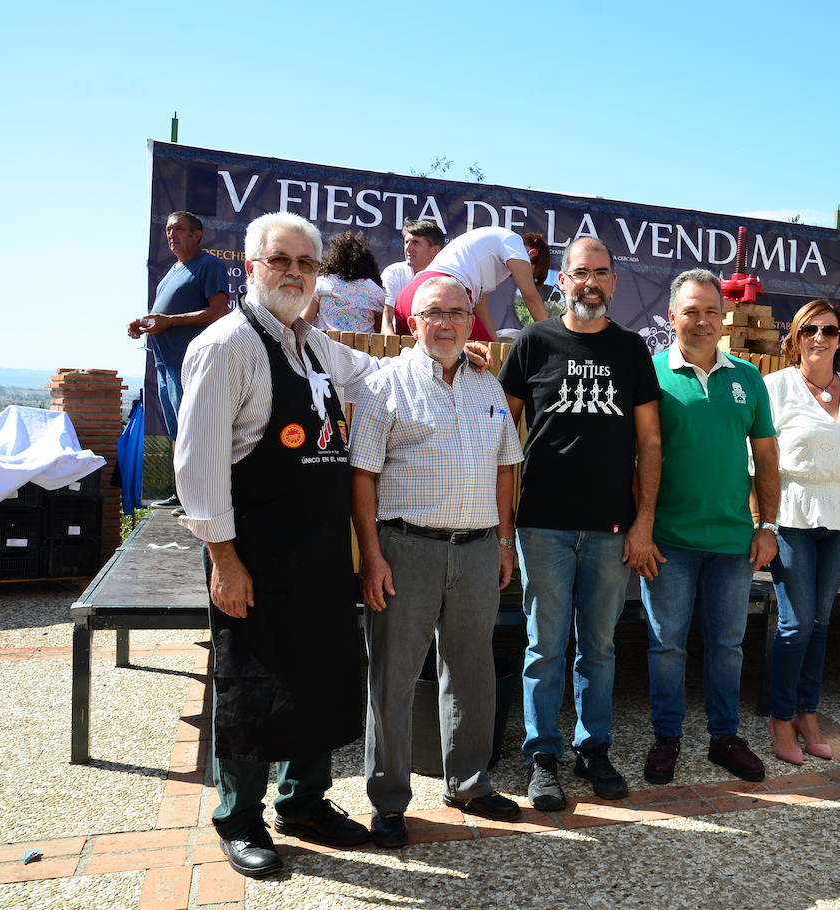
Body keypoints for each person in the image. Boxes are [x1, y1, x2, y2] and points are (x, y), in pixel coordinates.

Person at [174, 212, 381, 877]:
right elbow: (198, 465)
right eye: (280, 260)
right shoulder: (226, 345)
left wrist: (448, 353)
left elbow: (377, 377)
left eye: (306, 264)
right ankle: (238, 818)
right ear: (252, 266)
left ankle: (305, 803)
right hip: (254, 554)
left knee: (317, 677)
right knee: (250, 685)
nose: (294, 273)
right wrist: (223, 560)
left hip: (319, 552)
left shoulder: (314, 345)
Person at [350, 276, 525, 845]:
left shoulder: (488, 386)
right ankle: (389, 799)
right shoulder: (385, 386)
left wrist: (503, 541)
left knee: (471, 671)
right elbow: (363, 476)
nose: (446, 324)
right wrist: (371, 556)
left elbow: (506, 468)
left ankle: (470, 783)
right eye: (433, 313)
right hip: (406, 548)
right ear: (413, 321)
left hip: (477, 550)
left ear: (470, 317)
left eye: (456, 312)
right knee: (393, 676)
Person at [497, 237, 662, 810]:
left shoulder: (632, 350)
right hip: (541, 525)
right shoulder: (532, 342)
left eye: (601, 273)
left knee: (599, 645)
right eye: (580, 273)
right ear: (561, 281)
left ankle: (594, 749)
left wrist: (643, 523)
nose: (590, 283)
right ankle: (543, 755)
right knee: (544, 646)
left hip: (610, 530)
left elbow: (649, 441)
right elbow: (500, 434)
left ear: (614, 282)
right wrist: (500, 527)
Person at [641, 269, 779, 785]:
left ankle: (725, 738)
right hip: (668, 540)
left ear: (724, 319)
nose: (701, 321)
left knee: (727, 644)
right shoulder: (650, 374)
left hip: (732, 541)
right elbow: (637, 458)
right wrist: (642, 527)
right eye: (691, 311)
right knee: (666, 644)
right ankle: (667, 738)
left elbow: (767, 457)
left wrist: (768, 526)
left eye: (710, 312)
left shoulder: (746, 378)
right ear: (672, 316)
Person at [763, 299, 840, 764]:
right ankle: (780, 717)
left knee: (822, 623)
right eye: (810, 329)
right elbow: (761, 462)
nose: (819, 338)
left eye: (829, 331)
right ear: (797, 337)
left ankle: (808, 713)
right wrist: (761, 522)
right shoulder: (776, 386)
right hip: (791, 514)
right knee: (794, 624)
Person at [126, 211, 229, 505]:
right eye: (169, 230)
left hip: (189, 364)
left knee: (193, 429)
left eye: (179, 229)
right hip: (164, 363)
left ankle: (200, 495)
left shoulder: (209, 265)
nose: (171, 235)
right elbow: (165, 315)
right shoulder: (173, 271)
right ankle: (182, 493)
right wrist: (143, 324)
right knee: (177, 430)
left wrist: (169, 321)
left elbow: (218, 312)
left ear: (197, 235)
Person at [395, 226, 551, 342]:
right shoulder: (513, 241)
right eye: (531, 273)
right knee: (483, 363)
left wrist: (494, 345)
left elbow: (480, 308)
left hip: (409, 297)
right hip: (441, 296)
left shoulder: (488, 255)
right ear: (532, 254)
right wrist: (553, 337)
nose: (515, 277)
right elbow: (530, 296)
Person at [301, 231, 386, 332]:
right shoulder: (375, 291)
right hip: (363, 347)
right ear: (366, 263)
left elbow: (304, 323)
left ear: (333, 259)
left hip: (326, 345)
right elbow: (381, 329)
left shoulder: (322, 284)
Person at [379, 220, 444, 335]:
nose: (408, 248)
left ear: (435, 250)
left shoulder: (445, 278)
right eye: (406, 242)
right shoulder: (394, 273)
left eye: (415, 242)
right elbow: (386, 319)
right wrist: (391, 345)